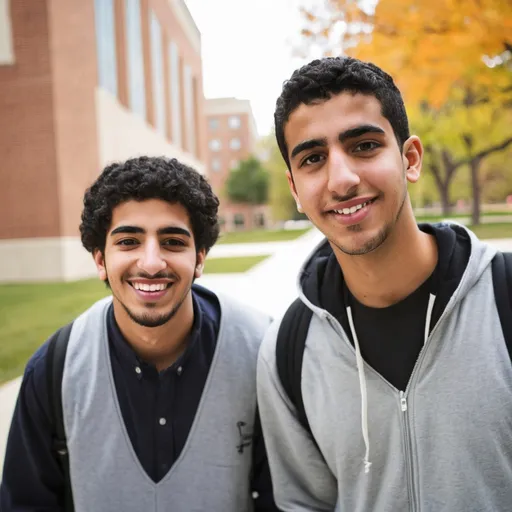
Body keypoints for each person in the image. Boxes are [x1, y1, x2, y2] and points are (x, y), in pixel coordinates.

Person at [257, 56, 512, 511]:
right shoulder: (287, 349)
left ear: (409, 159)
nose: (342, 179)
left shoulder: (505, 296)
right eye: (313, 158)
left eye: (364, 146)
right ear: (295, 189)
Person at [1, 156, 279, 511]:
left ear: (200, 258)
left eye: (173, 242)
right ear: (100, 260)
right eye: (129, 241)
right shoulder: (53, 370)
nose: (151, 263)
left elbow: (289, 498)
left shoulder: (262, 352)